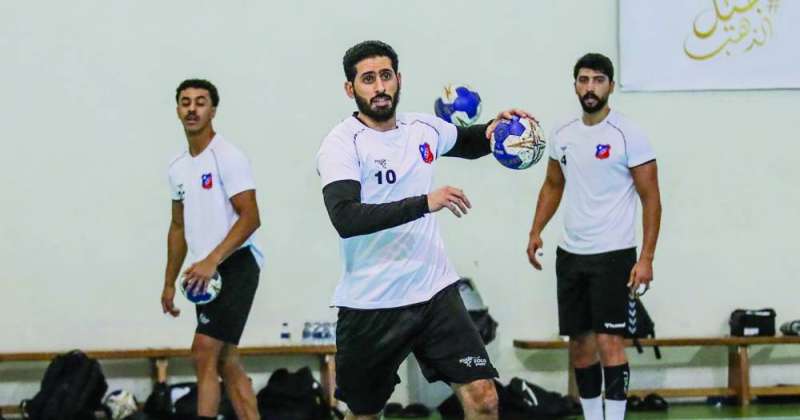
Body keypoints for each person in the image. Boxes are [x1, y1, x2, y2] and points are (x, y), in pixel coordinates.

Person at [316, 40, 529, 420]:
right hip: (372, 301)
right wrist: (424, 203)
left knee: (484, 399)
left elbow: (469, 141)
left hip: (434, 292)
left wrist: (496, 130)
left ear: (399, 79)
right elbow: (346, 218)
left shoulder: (422, 128)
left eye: (386, 76)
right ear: (350, 89)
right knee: (364, 413)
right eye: (368, 79)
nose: (380, 87)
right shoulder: (341, 144)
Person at [526, 53, 662, 420]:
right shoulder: (563, 133)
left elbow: (651, 199)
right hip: (571, 255)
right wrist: (536, 230)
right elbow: (553, 184)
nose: (590, 87)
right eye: (584, 80)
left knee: (609, 341)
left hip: (614, 254)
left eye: (598, 80)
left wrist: (646, 258)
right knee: (581, 345)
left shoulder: (628, 134)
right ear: (575, 85)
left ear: (611, 86)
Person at [162, 79, 264, 420]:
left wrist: (212, 260)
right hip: (203, 275)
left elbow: (251, 217)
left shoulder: (228, 157)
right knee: (226, 359)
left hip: (235, 265)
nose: (192, 109)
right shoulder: (177, 167)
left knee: (203, 350)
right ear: (178, 110)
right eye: (185, 102)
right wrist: (168, 282)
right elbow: (177, 226)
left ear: (213, 110)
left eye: (200, 102)